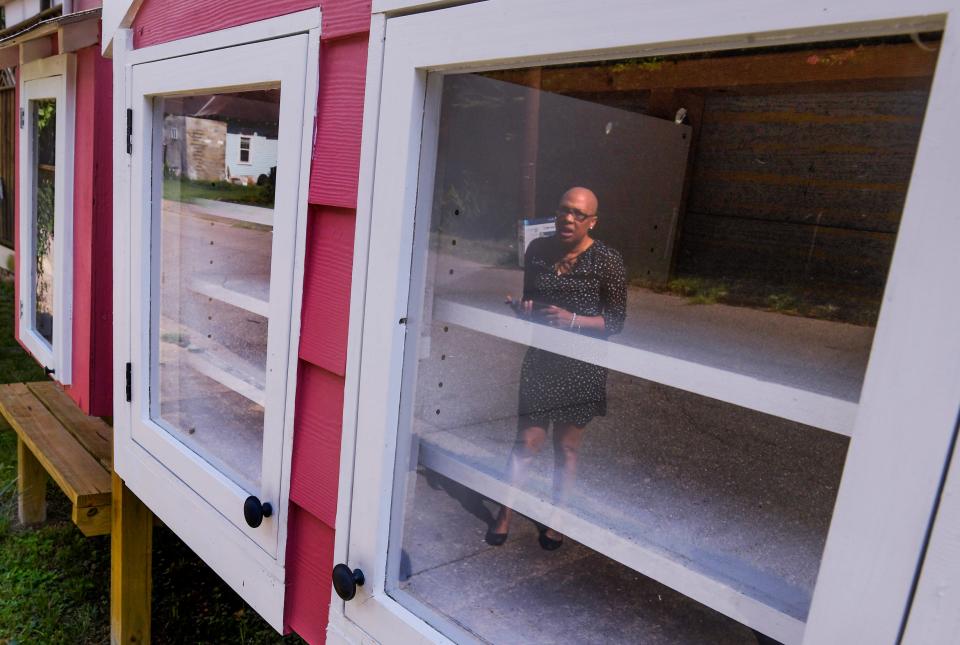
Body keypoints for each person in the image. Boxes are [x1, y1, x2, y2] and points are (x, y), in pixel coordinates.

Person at [488, 186, 627, 549]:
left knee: (566, 448)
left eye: (579, 214)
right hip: (543, 360)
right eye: (564, 210)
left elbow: (615, 321)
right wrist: (524, 310)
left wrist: (573, 320)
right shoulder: (538, 250)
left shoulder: (608, 260)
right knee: (526, 442)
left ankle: (557, 516)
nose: (568, 218)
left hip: (581, 365)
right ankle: (505, 512)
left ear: (592, 221)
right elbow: (534, 299)